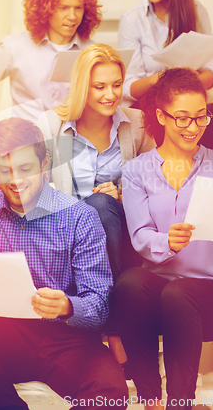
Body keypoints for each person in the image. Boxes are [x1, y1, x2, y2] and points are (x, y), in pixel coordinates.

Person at [0, 117, 128, 410]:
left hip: (67, 341)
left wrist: (67, 306)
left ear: (45, 162)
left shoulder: (80, 218)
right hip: (4, 340)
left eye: (25, 169)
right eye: (5, 170)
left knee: (110, 394)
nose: (15, 180)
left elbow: (100, 305)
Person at [112, 68, 213, 410]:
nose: (193, 127)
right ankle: (151, 398)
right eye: (182, 118)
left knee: (179, 292)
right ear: (161, 116)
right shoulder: (138, 170)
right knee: (129, 283)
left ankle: (180, 403)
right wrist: (168, 242)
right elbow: (140, 238)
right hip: (161, 298)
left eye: (201, 117)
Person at [36, 43, 155, 280]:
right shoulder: (49, 125)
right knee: (92, 206)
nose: (111, 95)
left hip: (120, 230)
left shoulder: (137, 124)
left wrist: (122, 195)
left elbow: (156, 186)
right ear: (82, 86)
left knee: (101, 203)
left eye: (117, 85)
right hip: (68, 230)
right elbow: (37, 191)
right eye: (99, 87)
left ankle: (109, 291)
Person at [118, 0, 213, 153]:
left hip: (188, 104)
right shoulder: (132, 20)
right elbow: (129, 88)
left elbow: (210, 74)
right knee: (169, 120)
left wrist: (190, 78)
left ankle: (200, 180)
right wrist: (162, 79)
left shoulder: (197, 12)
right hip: (151, 107)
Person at [0, 0, 102, 125]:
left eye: (78, 8)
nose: (72, 16)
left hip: (74, 142)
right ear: (46, 8)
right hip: (26, 141)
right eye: (63, 8)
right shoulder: (14, 48)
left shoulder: (92, 52)